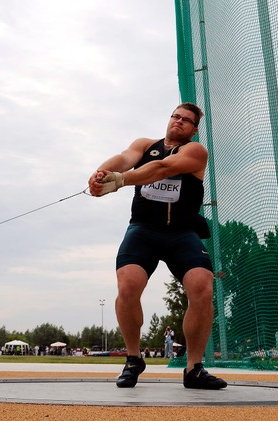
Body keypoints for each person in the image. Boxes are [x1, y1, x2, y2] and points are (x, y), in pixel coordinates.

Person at [88, 102, 227, 390]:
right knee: (128, 285)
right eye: (175, 116)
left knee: (202, 285)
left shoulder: (195, 151)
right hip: (144, 230)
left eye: (186, 120)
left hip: (181, 232)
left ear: (193, 129)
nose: (178, 122)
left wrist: (122, 181)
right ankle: (133, 359)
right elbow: (123, 158)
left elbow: (162, 169)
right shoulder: (144, 145)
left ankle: (194, 368)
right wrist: (101, 175)